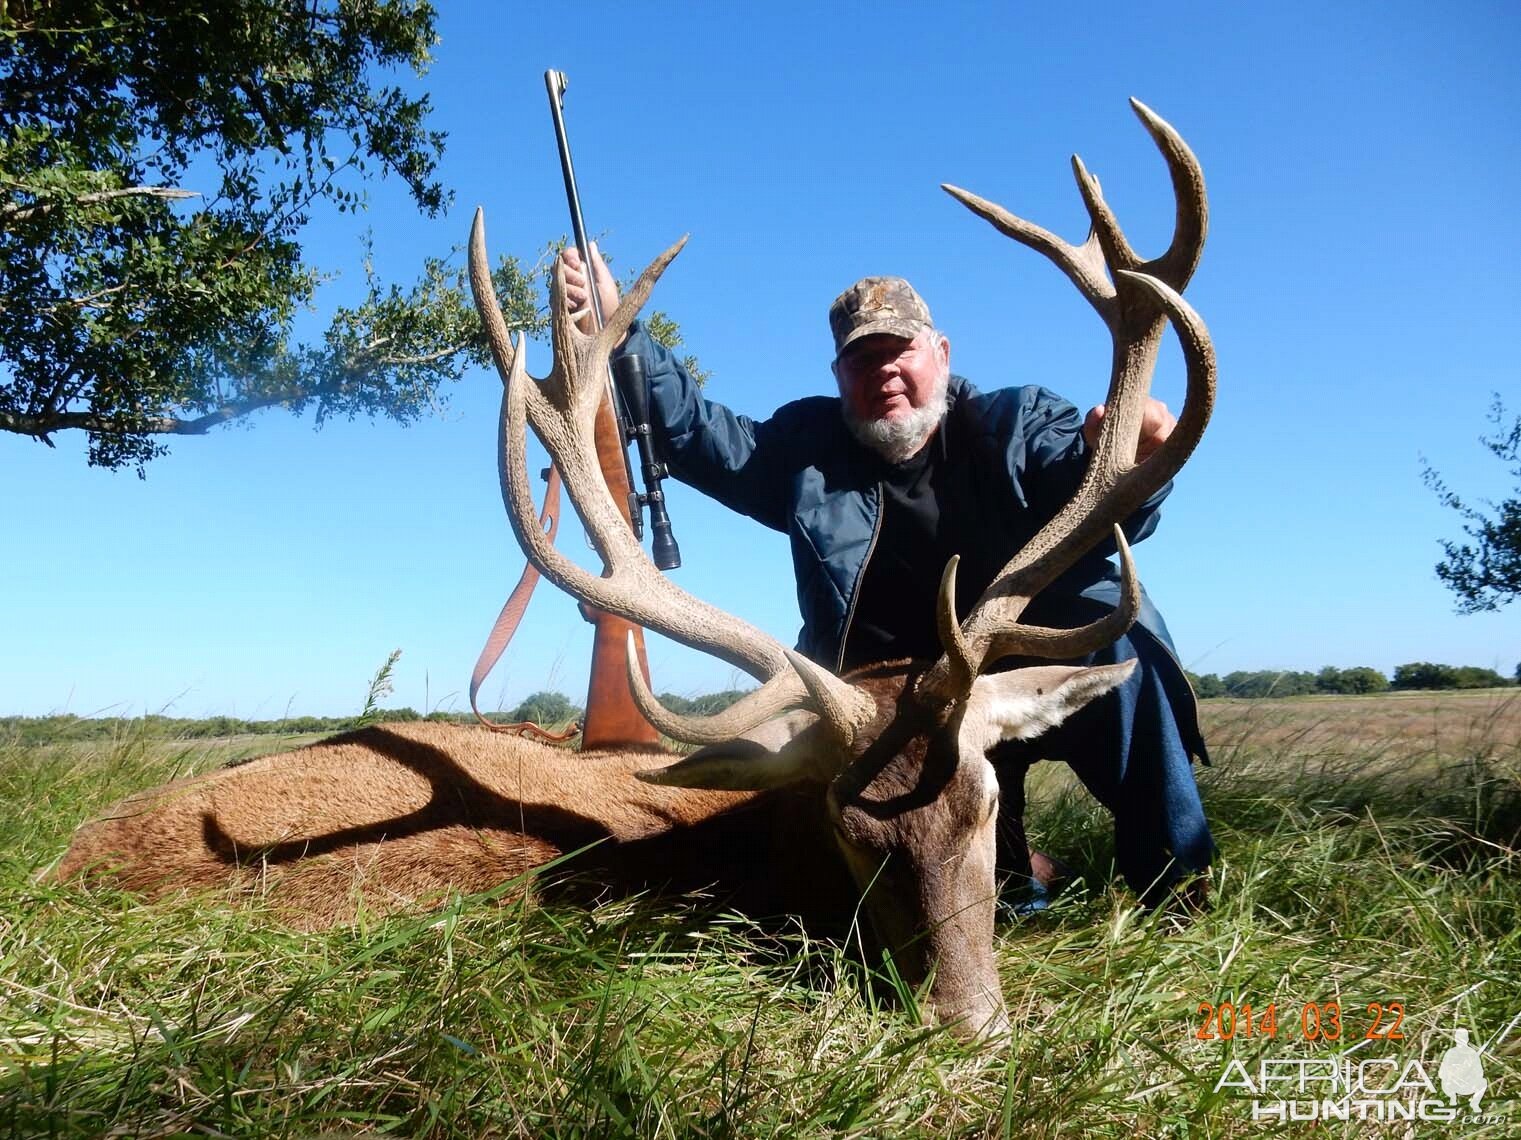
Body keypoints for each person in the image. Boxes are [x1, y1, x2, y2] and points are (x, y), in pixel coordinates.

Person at [561, 244, 1214, 909]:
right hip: (888, 708)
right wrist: (624, 327)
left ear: (942, 353)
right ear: (838, 374)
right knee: (940, 890)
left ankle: (1178, 885)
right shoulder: (806, 450)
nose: (884, 371)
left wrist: (1131, 458)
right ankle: (1012, 879)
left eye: (899, 350)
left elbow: (1092, 496)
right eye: (861, 359)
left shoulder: (1017, 424)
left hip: (1012, 676)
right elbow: (698, 434)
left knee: (1114, 643)